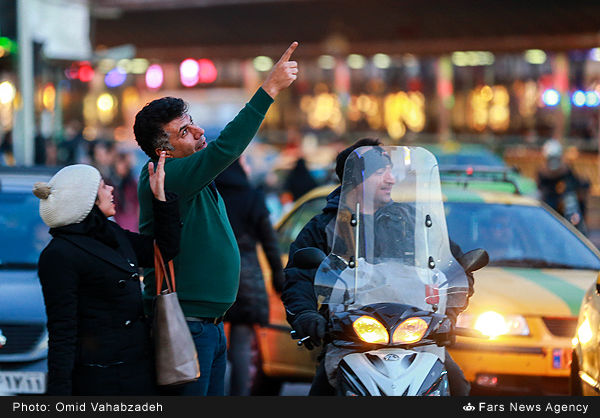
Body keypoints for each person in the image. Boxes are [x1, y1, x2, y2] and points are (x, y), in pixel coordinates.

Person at [133, 41, 298, 396]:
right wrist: (268, 89)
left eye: (191, 124)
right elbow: (227, 148)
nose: (198, 133)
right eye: (184, 132)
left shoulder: (190, 176)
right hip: (187, 327)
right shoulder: (168, 174)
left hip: (208, 326)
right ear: (164, 150)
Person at [281, 138, 474, 396]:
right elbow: (298, 277)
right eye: (380, 171)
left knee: (458, 386)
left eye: (391, 170)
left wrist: (449, 311)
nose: (391, 179)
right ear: (354, 179)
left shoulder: (410, 221)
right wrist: (306, 315)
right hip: (350, 341)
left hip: (416, 339)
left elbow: (453, 265)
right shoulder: (322, 228)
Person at [34, 152, 180, 395]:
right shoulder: (59, 254)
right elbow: (63, 333)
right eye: (102, 186)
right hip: (100, 379)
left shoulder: (111, 234)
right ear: (87, 199)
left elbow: (163, 250)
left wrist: (160, 198)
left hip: (139, 370)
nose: (111, 189)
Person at [214, 157, 285, 395]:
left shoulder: (211, 194)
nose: (248, 167)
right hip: (244, 279)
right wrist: (278, 275)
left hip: (212, 275)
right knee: (242, 344)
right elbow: (270, 242)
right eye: (244, 162)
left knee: (208, 338)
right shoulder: (252, 196)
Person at [112, 150, 140, 232]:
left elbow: (138, 204)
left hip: (130, 221)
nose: (119, 166)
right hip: (118, 221)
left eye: (122, 163)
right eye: (118, 163)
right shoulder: (112, 181)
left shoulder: (132, 183)